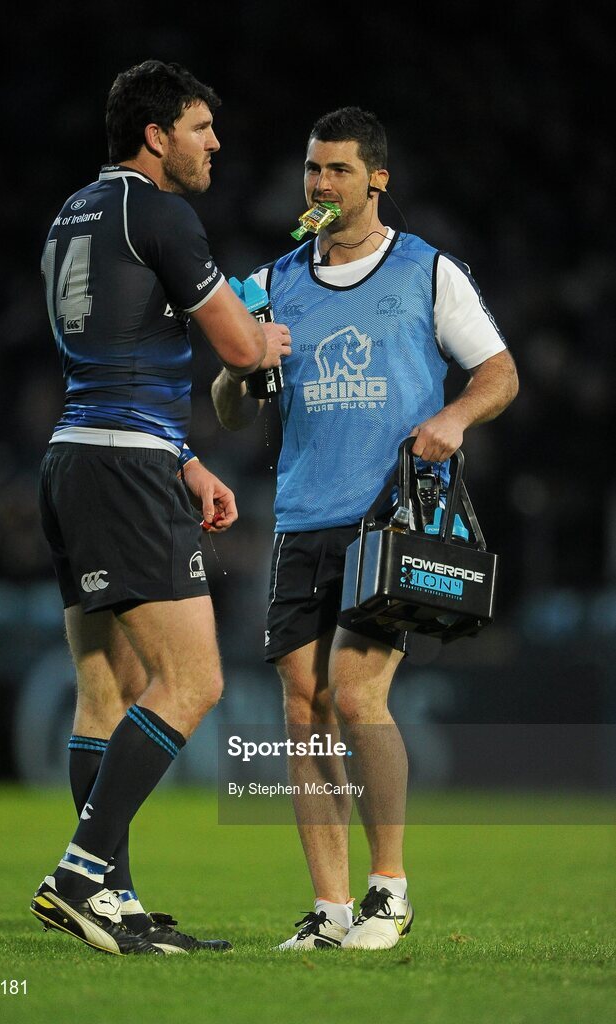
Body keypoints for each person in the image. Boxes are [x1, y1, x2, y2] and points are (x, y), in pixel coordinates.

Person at [212, 106, 518, 951]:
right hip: (302, 517)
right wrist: (246, 367)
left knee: (354, 695)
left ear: (376, 179)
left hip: (391, 521)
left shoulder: (424, 271)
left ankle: (389, 890)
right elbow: (230, 411)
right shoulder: (272, 282)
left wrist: (454, 419)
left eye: (337, 170)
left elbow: (499, 371)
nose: (319, 184)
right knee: (301, 708)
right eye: (311, 169)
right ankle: (331, 911)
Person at [31, 59, 286, 956]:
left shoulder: (71, 215)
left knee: (108, 689)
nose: (214, 143)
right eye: (201, 127)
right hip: (123, 471)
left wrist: (186, 459)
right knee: (196, 683)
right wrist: (266, 335)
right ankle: (79, 873)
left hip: (75, 459)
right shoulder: (161, 212)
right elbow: (241, 350)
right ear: (155, 135)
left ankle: (114, 900)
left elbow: (116, 352)